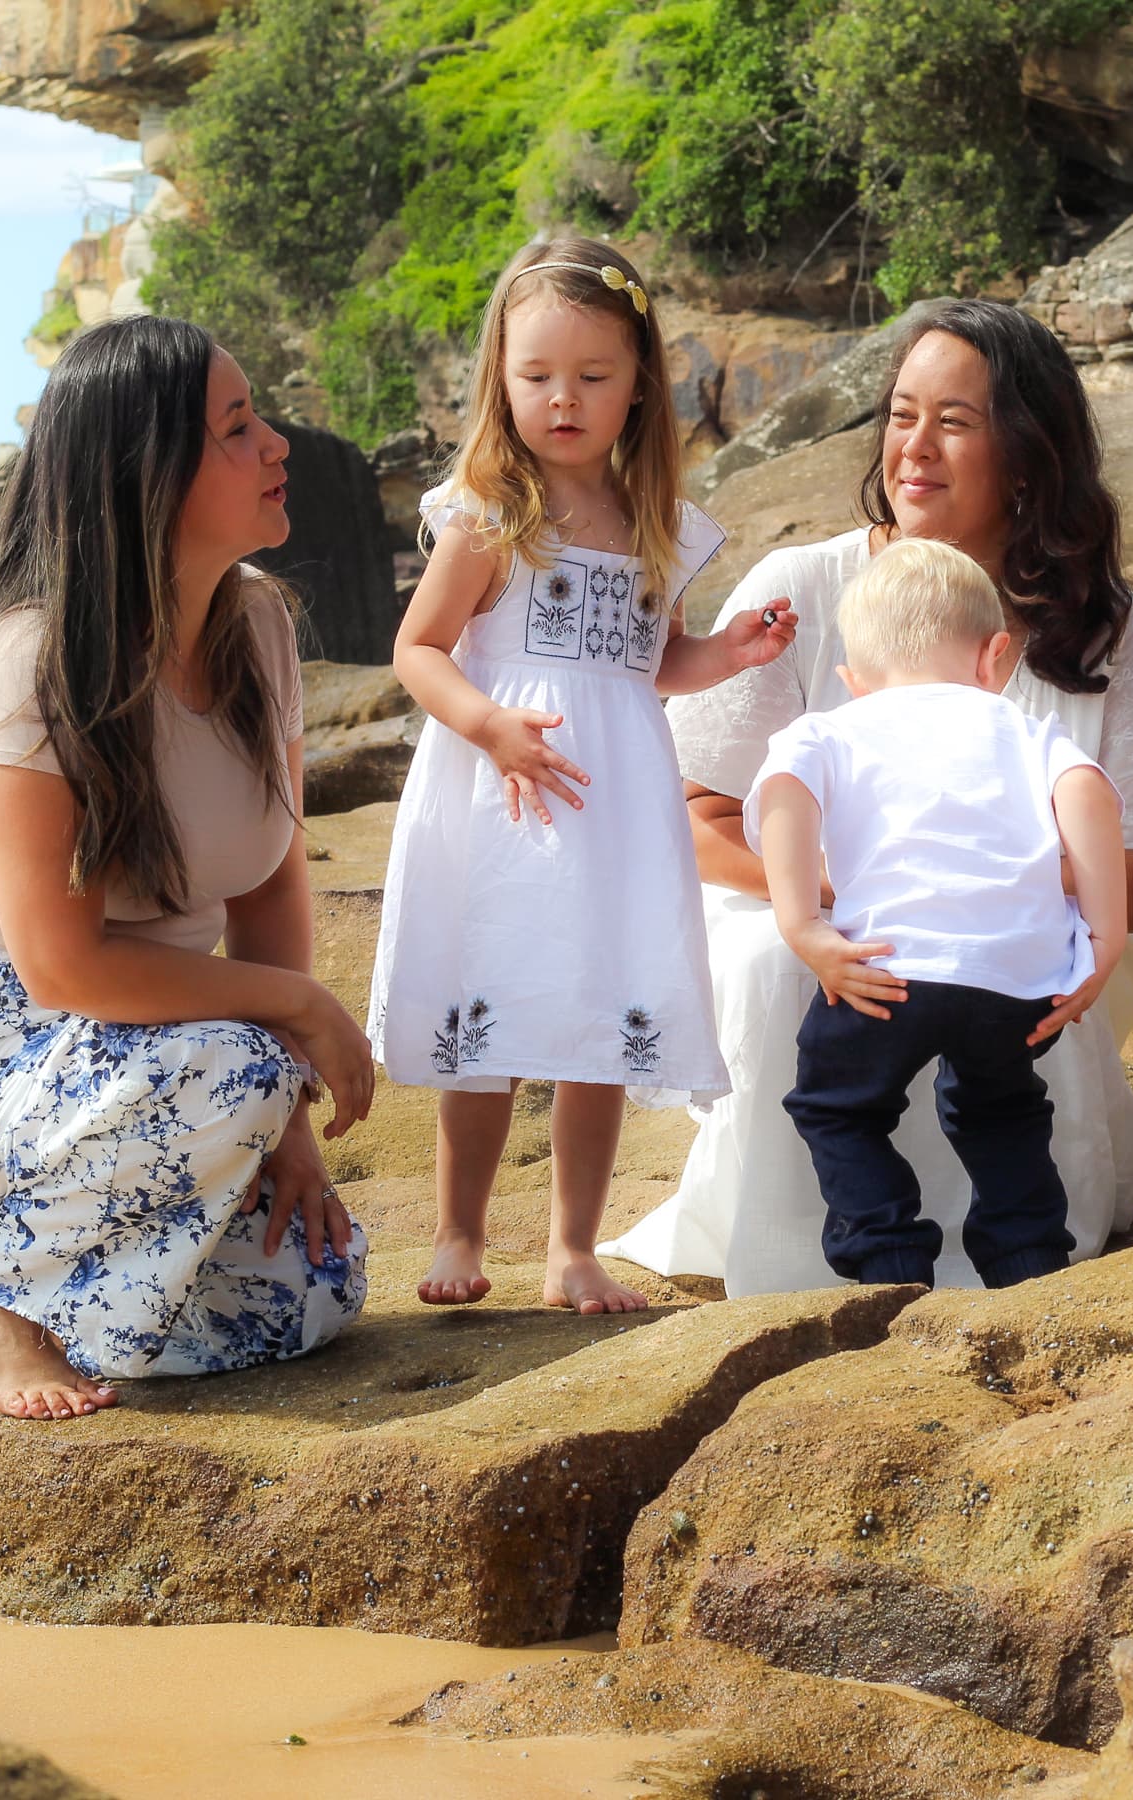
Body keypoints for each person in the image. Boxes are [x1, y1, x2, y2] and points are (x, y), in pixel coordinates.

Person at [603, 299, 1133, 1296]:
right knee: (782, 960)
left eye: (955, 421)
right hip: (805, 908)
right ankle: (801, 1273)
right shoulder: (804, 589)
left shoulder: (1094, 627)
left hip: (1034, 925)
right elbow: (691, 818)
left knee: (1013, 958)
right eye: (902, 415)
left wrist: (986, 883)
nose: (915, 448)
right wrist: (848, 895)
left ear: (1027, 453)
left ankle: (1028, 1253)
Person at [0, 313, 376, 1422]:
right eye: (236, 429)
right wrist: (294, 1019)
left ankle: (56, 1285)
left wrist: (287, 1138)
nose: (275, 444)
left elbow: (268, 874)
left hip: (142, 1048)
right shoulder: (34, 657)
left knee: (312, 1291)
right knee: (233, 1069)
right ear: (148, 476)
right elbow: (64, 966)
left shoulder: (256, 628)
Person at [367, 238, 796, 1316]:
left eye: (593, 378)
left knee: (601, 1011)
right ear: (499, 380)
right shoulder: (487, 514)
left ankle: (572, 1247)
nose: (563, 400)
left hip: (611, 796)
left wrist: (730, 653)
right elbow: (418, 651)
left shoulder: (651, 524)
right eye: (537, 377)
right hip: (502, 786)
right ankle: (461, 1230)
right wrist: (489, 724)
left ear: (639, 382)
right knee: (490, 1008)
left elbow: (652, 666)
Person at [754, 538, 1127, 1289]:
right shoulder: (1027, 731)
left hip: (888, 968)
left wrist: (804, 927)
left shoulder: (829, 729)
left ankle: (890, 1261)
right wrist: (1104, 942)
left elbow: (784, 794)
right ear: (993, 657)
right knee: (1002, 1110)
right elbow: (1087, 791)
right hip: (1014, 976)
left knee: (837, 1107)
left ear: (852, 681)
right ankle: (1028, 1263)